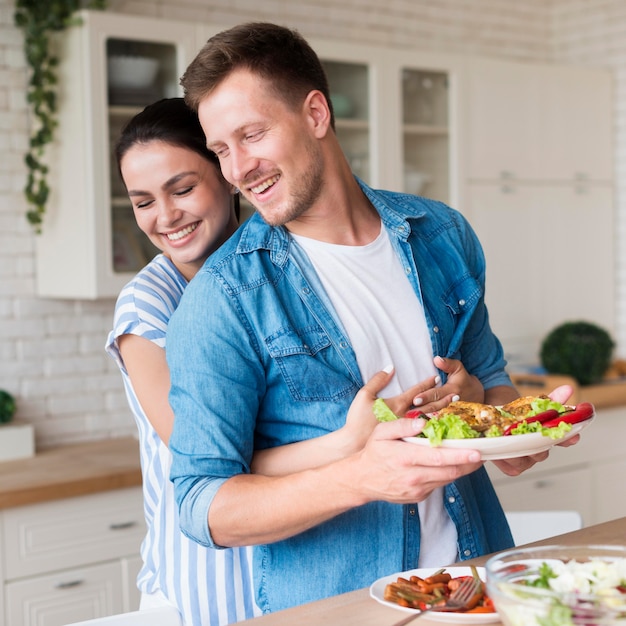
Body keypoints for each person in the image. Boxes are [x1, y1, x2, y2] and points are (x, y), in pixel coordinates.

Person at [166, 23, 576, 614]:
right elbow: (204, 504)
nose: (237, 170)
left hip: (477, 589)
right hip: (342, 608)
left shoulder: (442, 234)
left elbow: (492, 384)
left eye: (251, 135)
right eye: (221, 149)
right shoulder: (225, 296)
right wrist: (361, 477)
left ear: (315, 113)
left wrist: (509, 425)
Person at [105, 97, 440, 625]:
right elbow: (213, 464)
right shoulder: (148, 307)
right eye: (142, 201)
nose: (165, 217)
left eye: (183, 189)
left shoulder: (283, 265)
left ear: (227, 175)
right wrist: (351, 442)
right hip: (214, 580)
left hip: (312, 553)